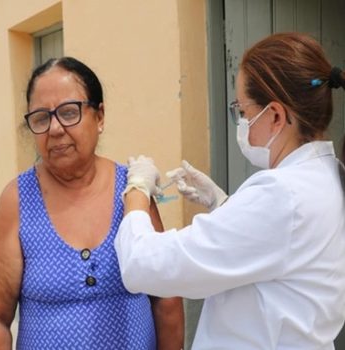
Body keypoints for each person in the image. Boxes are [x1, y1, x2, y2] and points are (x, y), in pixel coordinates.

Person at [115, 32, 345, 349]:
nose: (243, 122)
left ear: (276, 115)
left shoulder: (283, 194)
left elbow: (144, 265)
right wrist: (221, 203)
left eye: (244, 112)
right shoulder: (329, 175)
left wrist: (137, 190)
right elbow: (275, 251)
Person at [0, 57, 184, 350]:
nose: (55, 129)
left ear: (100, 116)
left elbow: (166, 299)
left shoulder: (132, 191)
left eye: (69, 112)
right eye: (41, 118)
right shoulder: (17, 200)